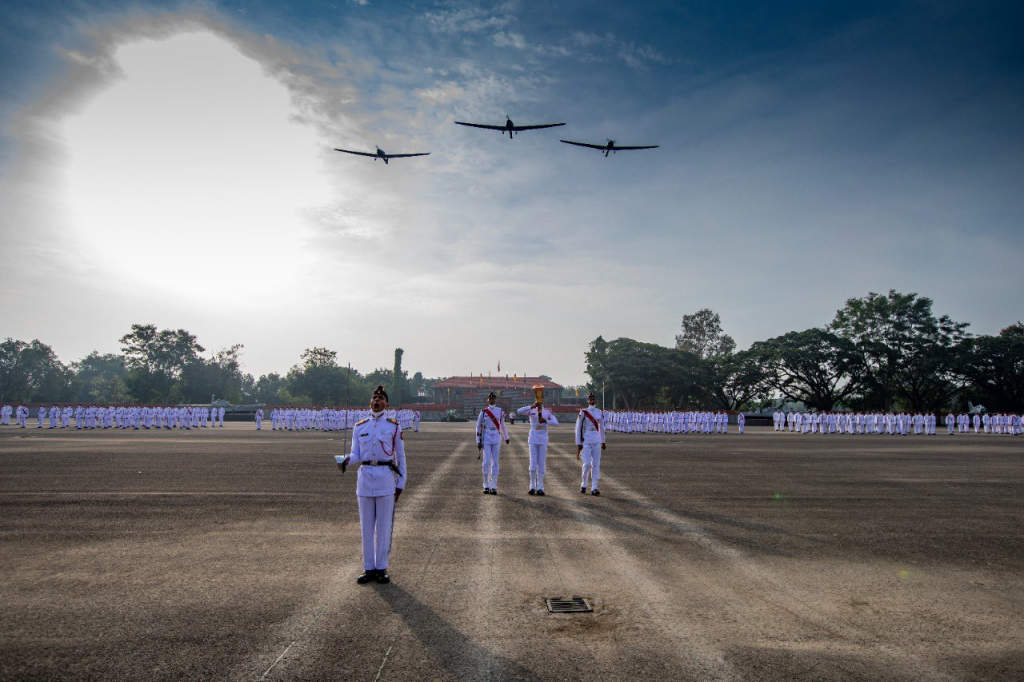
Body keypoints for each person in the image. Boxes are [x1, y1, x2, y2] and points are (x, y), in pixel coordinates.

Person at [336, 385, 406, 584]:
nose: (377, 401)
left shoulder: (393, 426)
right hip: (365, 479)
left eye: (381, 398)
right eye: (374, 398)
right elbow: (356, 453)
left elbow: (400, 456)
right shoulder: (360, 426)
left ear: (387, 404)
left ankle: (382, 567)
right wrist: (346, 460)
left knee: (384, 528)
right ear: (370, 403)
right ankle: (369, 568)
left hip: (385, 478)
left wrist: (401, 482)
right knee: (366, 528)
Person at [517, 390, 559, 496]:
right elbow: (519, 411)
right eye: (537, 398)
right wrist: (531, 406)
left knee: (541, 463)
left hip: (543, 439)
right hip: (533, 439)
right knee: (533, 462)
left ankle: (540, 487)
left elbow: (556, 423)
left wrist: (546, 421)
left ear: (543, 400)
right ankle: (532, 486)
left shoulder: (547, 412)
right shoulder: (531, 410)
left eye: (540, 398)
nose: (539, 401)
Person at [476, 392, 510, 495]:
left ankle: (494, 486)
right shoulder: (483, 412)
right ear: (488, 400)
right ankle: (486, 485)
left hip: (496, 436)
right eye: (490, 398)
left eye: (493, 398)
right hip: (486, 437)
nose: (491, 400)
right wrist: (478, 440)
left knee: (495, 462)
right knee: (486, 461)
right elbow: (478, 427)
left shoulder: (500, 411)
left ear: (495, 400)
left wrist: (506, 437)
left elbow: (502, 425)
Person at [575, 393, 606, 495]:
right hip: (587, 439)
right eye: (590, 399)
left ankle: (594, 487)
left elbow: (601, 427)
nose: (592, 400)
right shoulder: (584, 412)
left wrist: (603, 441)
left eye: (593, 399)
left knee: (596, 464)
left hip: (596, 439)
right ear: (587, 401)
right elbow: (578, 428)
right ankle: (584, 483)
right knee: (587, 463)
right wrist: (578, 443)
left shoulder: (599, 412)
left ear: (595, 400)